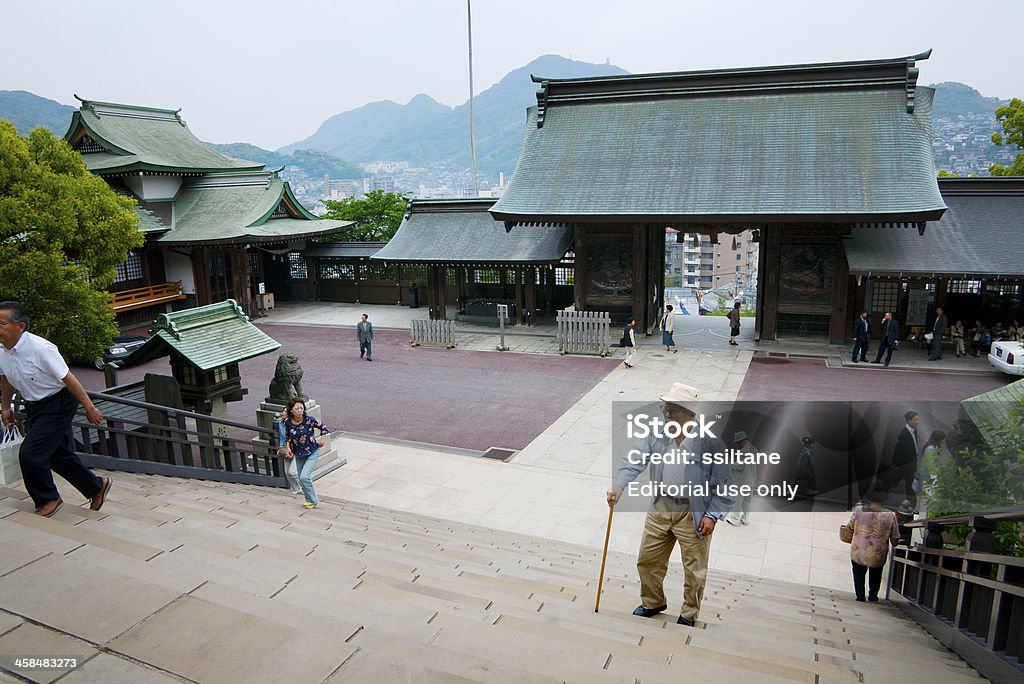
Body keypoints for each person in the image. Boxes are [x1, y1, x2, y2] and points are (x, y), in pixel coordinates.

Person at [606, 383, 732, 627]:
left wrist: (713, 515)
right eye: (666, 408)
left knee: (694, 570)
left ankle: (688, 614)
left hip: (693, 512)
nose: (667, 414)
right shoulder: (656, 434)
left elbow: (725, 486)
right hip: (660, 506)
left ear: (690, 414)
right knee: (647, 560)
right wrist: (619, 486)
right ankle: (653, 602)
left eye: (673, 409)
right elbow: (633, 460)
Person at [0, 301, 111, 517]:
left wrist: (89, 407)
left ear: (20, 326)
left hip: (58, 404)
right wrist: (6, 407)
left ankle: (48, 498)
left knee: (30, 454)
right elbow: (6, 378)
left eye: (1, 324)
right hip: (34, 405)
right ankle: (96, 487)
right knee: (56, 454)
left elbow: (68, 378)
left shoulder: (42, 349)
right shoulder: (2, 350)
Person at [847, 489, 901, 602]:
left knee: (858, 573)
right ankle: (873, 596)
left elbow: (850, 526)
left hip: (859, 550)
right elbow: (895, 537)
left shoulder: (859, 511)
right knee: (876, 574)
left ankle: (860, 596)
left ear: (869, 498)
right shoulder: (890, 515)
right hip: (878, 552)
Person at [279, 396, 330, 509]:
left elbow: (324, 428)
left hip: (312, 451)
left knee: (304, 477)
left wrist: (322, 440)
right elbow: (288, 437)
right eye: (297, 409)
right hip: (299, 454)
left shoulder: (309, 420)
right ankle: (309, 500)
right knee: (302, 479)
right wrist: (288, 448)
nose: (299, 411)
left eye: (301, 408)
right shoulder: (288, 423)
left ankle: (313, 500)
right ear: (291, 410)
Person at [725, 430, 758, 526]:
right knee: (747, 501)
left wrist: (729, 462)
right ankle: (745, 519)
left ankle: (735, 519)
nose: (737, 444)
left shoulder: (742, 451)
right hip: (751, 479)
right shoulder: (754, 449)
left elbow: (739, 466)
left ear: (741, 441)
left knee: (737, 501)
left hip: (741, 480)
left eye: (737, 442)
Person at [890, 410, 920, 505]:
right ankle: (912, 503)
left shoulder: (914, 430)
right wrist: (896, 463)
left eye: (917, 420)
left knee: (908, 483)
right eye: (915, 420)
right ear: (908, 420)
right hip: (907, 464)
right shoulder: (904, 434)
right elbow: (899, 450)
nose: (917, 422)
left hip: (912, 462)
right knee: (909, 484)